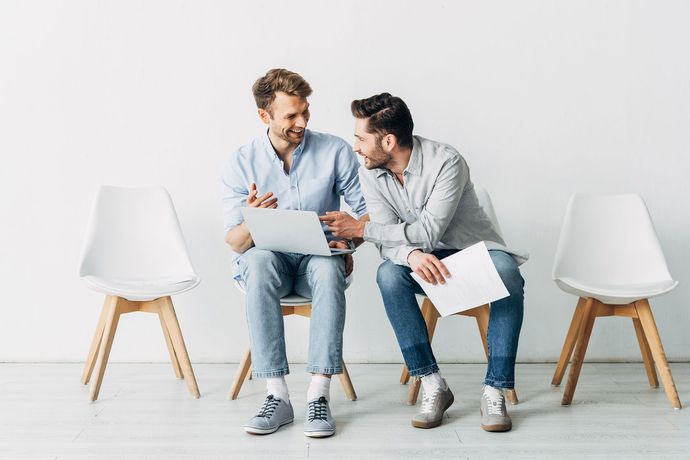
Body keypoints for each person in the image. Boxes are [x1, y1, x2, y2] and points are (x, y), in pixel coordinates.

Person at [321, 93, 526, 432]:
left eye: (360, 138)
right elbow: (389, 242)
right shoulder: (371, 172)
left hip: (471, 253)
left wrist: (363, 228)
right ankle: (433, 384)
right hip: (424, 261)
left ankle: (495, 389)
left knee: (507, 274)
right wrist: (411, 255)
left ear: (388, 140)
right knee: (389, 275)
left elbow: (428, 231)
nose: (355, 146)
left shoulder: (447, 162)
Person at [221, 69, 367, 437]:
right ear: (264, 116)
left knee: (328, 267)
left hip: (318, 258)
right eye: (290, 115)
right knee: (256, 259)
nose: (301, 122)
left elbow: (367, 216)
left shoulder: (334, 151)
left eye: (305, 111)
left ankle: (319, 396)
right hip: (269, 262)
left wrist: (349, 239)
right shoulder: (241, 162)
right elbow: (235, 242)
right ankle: (278, 397)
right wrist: (255, 221)